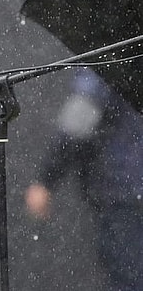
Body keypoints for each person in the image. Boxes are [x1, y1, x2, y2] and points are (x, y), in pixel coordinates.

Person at [25, 67, 143, 290]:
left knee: (130, 277)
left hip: (124, 193)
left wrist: (46, 180)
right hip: (131, 187)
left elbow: (78, 121)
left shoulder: (106, 59)